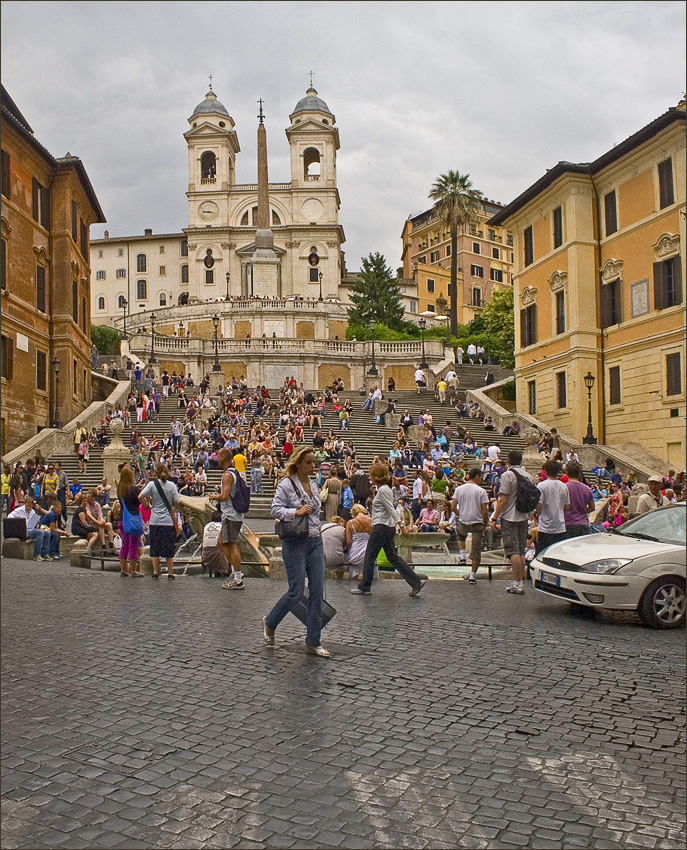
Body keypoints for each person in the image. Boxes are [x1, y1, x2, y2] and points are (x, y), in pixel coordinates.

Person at [264, 446, 330, 657]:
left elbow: (315, 516)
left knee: (318, 591)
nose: (313, 466)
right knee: (296, 591)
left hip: (314, 542)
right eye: (309, 463)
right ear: (298, 464)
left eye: (314, 462)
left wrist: (320, 538)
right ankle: (270, 622)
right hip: (295, 542)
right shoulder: (286, 484)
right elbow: (274, 510)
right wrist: (296, 511)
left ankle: (313, 640)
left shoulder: (312, 483)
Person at [351, 462, 425, 597]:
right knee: (393, 557)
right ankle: (415, 582)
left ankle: (365, 587)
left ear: (375, 476)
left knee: (369, 557)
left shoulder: (383, 490)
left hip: (381, 527)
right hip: (387, 526)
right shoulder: (384, 489)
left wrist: (402, 526)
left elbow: (391, 509)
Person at [489, 450, 534, 595]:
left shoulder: (507, 475)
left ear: (508, 461)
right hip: (524, 516)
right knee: (521, 550)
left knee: (512, 550)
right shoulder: (528, 476)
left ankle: (517, 583)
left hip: (509, 516)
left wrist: (494, 517)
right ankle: (519, 582)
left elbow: (503, 499)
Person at [208, 448, 245, 590]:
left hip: (231, 514)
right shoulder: (233, 472)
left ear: (223, 457)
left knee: (231, 545)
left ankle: (238, 578)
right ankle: (236, 572)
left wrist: (213, 496)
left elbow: (224, 496)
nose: (217, 459)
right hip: (232, 514)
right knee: (221, 542)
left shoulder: (228, 474)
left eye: (218, 456)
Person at [139, 465, 181, 579]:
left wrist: (147, 505)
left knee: (155, 547)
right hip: (167, 520)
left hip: (155, 519)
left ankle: (156, 572)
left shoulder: (152, 485)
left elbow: (140, 496)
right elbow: (177, 502)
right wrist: (170, 503)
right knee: (168, 547)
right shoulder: (172, 486)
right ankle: (170, 572)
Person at [453, 468, 489, 581]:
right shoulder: (481, 491)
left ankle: (462, 556)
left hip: (463, 520)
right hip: (477, 522)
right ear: (477, 476)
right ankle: (472, 575)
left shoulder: (459, 489)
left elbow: (453, 506)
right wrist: (485, 522)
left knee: (460, 535)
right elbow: (485, 510)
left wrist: (459, 514)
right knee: (476, 549)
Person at [535, 461, 570, 554]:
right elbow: (567, 506)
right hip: (560, 525)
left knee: (542, 553)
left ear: (546, 471)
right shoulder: (564, 486)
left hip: (545, 526)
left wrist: (537, 512)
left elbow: (539, 505)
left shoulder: (541, 486)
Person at [117, 465, 144, 577]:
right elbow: (140, 502)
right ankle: (133, 570)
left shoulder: (120, 489)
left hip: (122, 519)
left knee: (125, 545)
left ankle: (123, 570)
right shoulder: (134, 490)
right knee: (133, 544)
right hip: (133, 520)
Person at [7, 496, 51, 560]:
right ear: (25, 504)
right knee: (40, 532)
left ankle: (44, 553)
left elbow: (34, 525)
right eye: (27, 506)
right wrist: (18, 521)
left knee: (47, 533)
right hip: (23, 529)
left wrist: (37, 523)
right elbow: (9, 516)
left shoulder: (33, 512)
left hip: (30, 528)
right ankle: (37, 554)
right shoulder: (19, 510)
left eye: (30, 506)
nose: (28, 508)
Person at [344, 505, 373, 580]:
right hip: (368, 550)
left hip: (355, 551)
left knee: (353, 571)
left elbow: (348, 542)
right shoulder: (370, 520)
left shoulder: (350, 523)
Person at [201, 509, 230, 577]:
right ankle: (229, 574)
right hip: (218, 554)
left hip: (205, 555)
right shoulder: (223, 526)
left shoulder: (207, 526)